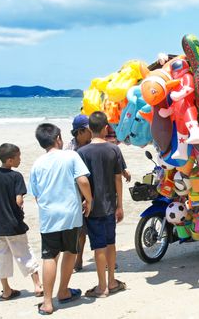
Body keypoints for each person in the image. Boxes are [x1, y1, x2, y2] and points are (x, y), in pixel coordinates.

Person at [29, 123, 93, 315]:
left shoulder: (37, 163)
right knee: (70, 252)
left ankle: (47, 302)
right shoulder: (71, 156)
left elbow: (36, 195)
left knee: (50, 256)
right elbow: (82, 180)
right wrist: (89, 200)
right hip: (71, 214)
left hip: (49, 216)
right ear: (58, 138)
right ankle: (63, 291)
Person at [0, 143, 43, 301]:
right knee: (24, 254)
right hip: (13, 225)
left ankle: (6, 290)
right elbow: (19, 200)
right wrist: (15, 204)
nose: (20, 159)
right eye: (18, 157)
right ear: (9, 160)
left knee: (0, 257)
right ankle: (37, 285)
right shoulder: (15, 176)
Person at [77, 111, 127, 298]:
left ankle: (102, 286)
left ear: (90, 129)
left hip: (91, 207)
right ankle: (112, 281)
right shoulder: (114, 149)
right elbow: (118, 179)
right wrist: (119, 205)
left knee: (98, 246)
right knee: (111, 243)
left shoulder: (81, 152)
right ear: (107, 127)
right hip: (110, 205)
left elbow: (80, 181)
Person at [65, 114, 92, 272]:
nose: (91, 132)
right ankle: (79, 258)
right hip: (77, 192)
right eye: (89, 130)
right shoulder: (70, 149)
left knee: (96, 226)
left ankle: (102, 256)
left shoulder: (93, 144)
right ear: (80, 131)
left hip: (94, 190)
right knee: (80, 230)